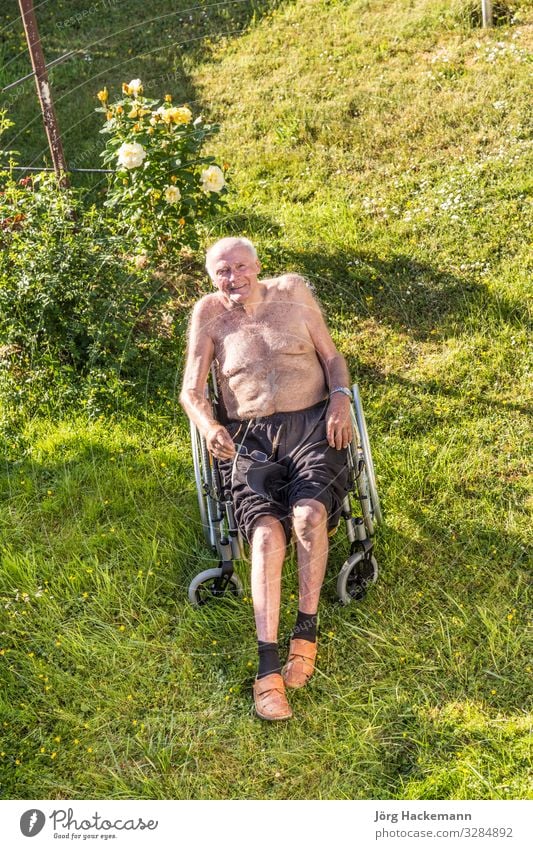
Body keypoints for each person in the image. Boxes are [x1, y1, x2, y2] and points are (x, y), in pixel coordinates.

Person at [180, 237, 353, 721]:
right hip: (247, 437)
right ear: (211, 277)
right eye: (221, 271)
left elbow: (332, 357)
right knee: (263, 536)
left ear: (258, 265)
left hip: (313, 425)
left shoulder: (294, 292)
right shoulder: (209, 314)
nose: (232, 278)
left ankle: (307, 630)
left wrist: (340, 396)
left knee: (309, 515)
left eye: (239, 266)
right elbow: (192, 390)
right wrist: (210, 424)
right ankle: (267, 667)